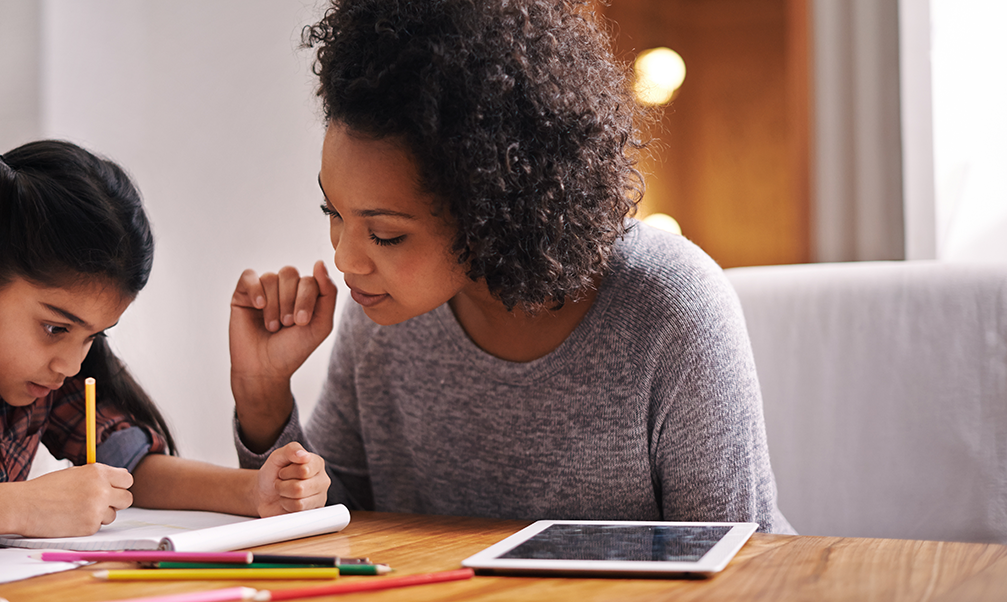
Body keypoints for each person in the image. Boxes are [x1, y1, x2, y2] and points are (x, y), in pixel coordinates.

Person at [230, 0, 792, 532]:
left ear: (491, 206)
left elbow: (741, 565)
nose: (345, 258)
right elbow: (342, 529)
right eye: (334, 211)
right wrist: (262, 396)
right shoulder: (382, 319)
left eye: (387, 235)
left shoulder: (673, 315)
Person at [0, 140, 329, 548]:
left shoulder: (45, 367)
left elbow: (130, 468)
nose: (70, 363)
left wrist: (255, 492)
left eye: (94, 336)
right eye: (56, 328)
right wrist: (20, 507)